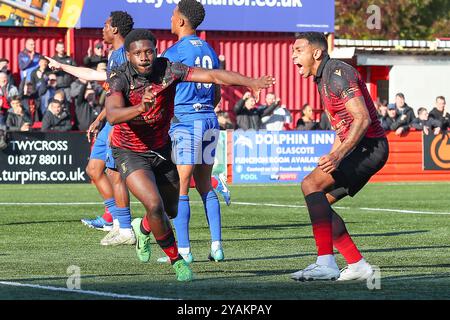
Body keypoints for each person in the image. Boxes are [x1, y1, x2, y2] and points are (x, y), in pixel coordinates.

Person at [106, 29, 273, 281]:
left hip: (162, 148)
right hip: (130, 151)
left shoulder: (170, 70)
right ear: (128, 56)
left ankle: (143, 229)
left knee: (169, 210)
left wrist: (249, 81)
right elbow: (113, 114)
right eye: (137, 53)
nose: (144, 57)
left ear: (156, 50)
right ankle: (177, 261)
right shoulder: (120, 78)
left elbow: (213, 75)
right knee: (154, 204)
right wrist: (141, 107)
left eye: (148, 51)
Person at [290, 32, 388, 282]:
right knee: (317, 201)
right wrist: (334, 154)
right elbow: (341, 126)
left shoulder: (337, 73)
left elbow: (362, 118)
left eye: (298, 50)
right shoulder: (323, 78)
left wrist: (339, 156)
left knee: (310, 185)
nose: (293, 56)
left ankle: (326, 263)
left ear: (316, 53)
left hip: (368, 147)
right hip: (361, 147)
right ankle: (357, 265)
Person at [47, 11, 135, 245]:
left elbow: (126, 96)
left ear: (115, 29)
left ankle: (124, 227)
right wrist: (62, 67)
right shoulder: (115, 55)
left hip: (121, 122)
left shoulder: (126, 56)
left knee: (115, 174)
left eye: (105, 26)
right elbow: (100, 80)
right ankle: (115, 221)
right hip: (110, 119)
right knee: (95, 170)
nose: (102, 30)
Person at [159, 0, 233, 264]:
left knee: (181, 188)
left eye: (172, 15)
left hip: (186, 122)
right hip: (210, 121)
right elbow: (216, 91)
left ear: (181, 21)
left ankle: (186, 251)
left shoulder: (174, 52)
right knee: (205, 185)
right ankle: (216, 247)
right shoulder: (210, 50)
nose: (170, 19)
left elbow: (162, 91)